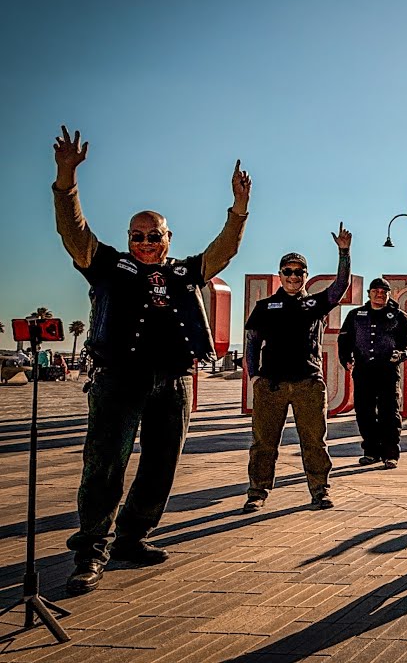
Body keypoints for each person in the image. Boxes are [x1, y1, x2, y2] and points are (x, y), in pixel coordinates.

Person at [51, 125, 251, 595]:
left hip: (175, 380)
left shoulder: (184, 271)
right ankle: (90, 551)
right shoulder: (108, 265)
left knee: (162, 463)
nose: (144, 242)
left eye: (153, 235)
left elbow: (223, 251)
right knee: (105, 464)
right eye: (137, 235)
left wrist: (239, 209)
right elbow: (74, 233)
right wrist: (66, 180)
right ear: (128, 238)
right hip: (120, 379)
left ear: (168, 237)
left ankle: (132, 538)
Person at [241, 228, 352, 513]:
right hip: (271, 385)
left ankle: (320, 491)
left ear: (306, 275)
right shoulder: (265, 306)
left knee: (315, 442)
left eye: (299, 272)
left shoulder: (314, 303)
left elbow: (340, 286)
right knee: (264, 444)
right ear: (280, 274)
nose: (294, 277)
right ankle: (257, 492)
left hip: (308, 384)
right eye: (288, 271)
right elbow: (252, 342)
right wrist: (254, 376)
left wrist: (343, 253)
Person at [338, 277, 407, 469]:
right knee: (364, 412)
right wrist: (345, 360)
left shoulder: (399, 316)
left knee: (389, 412)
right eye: (376, 291)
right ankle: (371, 451)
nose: (379, 294)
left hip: (387, 371)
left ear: (389, 294)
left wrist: (401, 355)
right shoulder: (356, 315)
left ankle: (390, 454)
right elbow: (344, 340)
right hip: (363, 370)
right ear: (369, 293)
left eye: (383, 291)